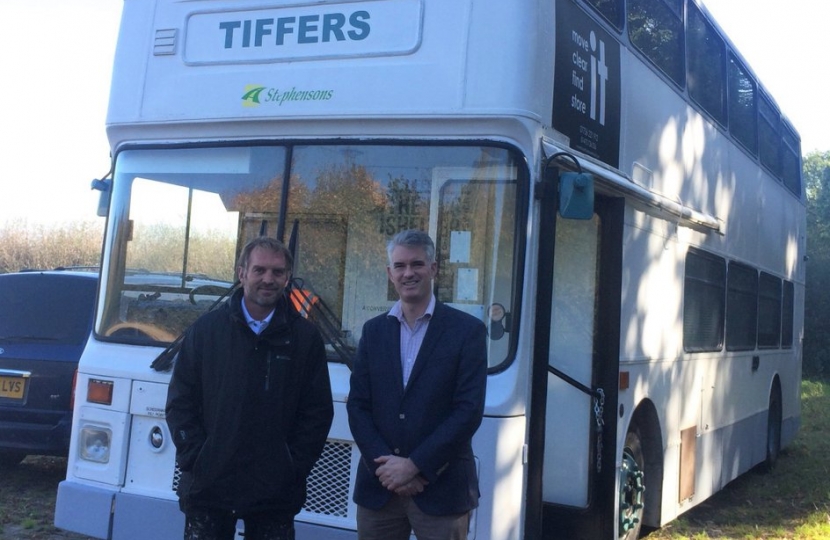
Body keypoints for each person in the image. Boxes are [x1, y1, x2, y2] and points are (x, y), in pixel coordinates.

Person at [166, 237, 333, 540]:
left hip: (275, 492)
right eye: (259, 270)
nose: (268, 279)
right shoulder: (205, 331)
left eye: (277, 272)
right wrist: (197, 457)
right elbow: (180, 402)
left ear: (287, 277)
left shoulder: (305, 339)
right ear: (242, 273)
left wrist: (293, 466)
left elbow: (317, 412)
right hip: (208, 488)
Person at [347, 229, 488, 540]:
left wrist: (416, 466)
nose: (408, 273)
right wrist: (387, 469)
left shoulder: (468, 332)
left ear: (433, 268)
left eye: (417, 264)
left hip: (442, 489)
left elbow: (468, 411)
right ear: (389, 273)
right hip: (379, 490)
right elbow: (358, 406)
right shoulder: (373, 332)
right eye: (399, 266)